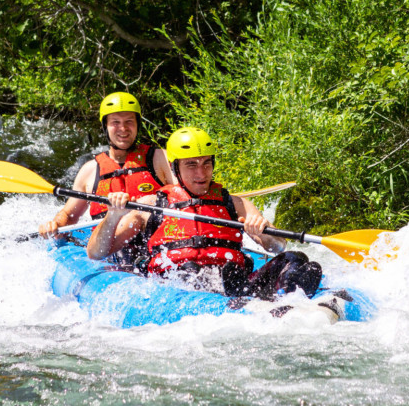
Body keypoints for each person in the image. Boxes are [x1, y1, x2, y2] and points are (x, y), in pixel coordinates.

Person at [86, 127, 322, 299]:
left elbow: (277, 247)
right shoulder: (151, 205)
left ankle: (292, 296)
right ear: (174, 167)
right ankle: (245, 293)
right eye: (191, 165)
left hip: (230, 277)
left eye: (206, 163)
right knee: (194, 272)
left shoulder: (234, 203)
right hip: (183, 282)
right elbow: (97, 252)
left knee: (294, 259)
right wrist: (113, 215)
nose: (202, 173)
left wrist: (263, 232)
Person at [38, 92, 173, 264]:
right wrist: (56, 224)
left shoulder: (159, 159)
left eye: (129, 122)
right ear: (105, 127)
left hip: (154, 248)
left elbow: (185, 195)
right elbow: (69, 215)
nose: (123, 129)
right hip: (107, 252)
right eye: (115, 122)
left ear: (138, 125)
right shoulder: (90, 171)